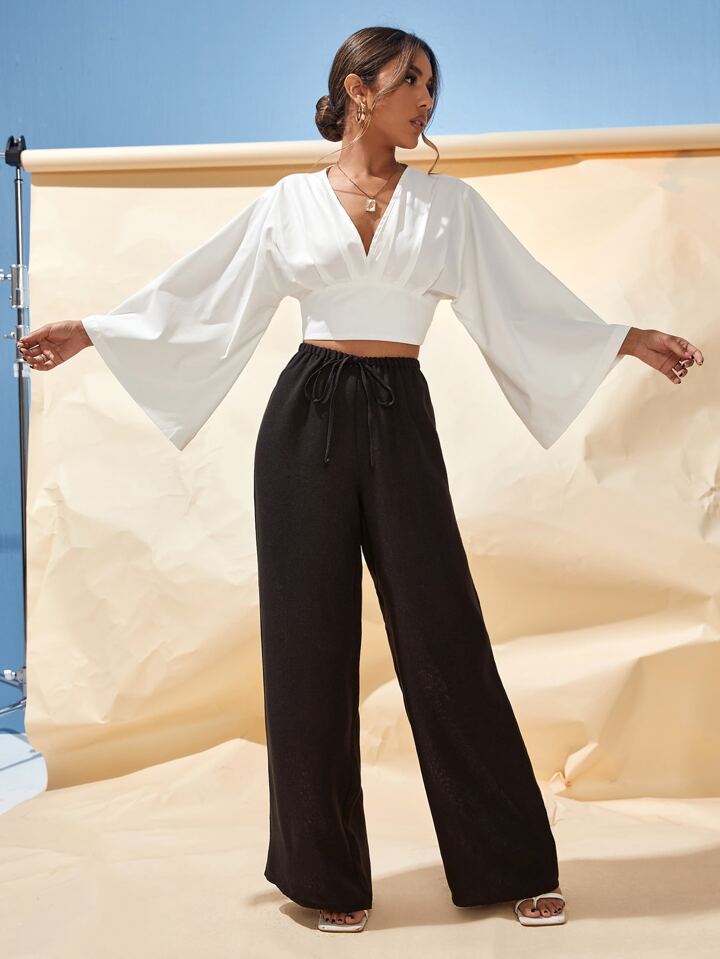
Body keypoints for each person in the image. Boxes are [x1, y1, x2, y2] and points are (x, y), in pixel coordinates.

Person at [18, 26, 703, 934]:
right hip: (304, 420)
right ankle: (325, 873)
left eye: (433, 84)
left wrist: (621, 339)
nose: (427, 99)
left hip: (399, 414)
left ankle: (510, 861)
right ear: (358, 89)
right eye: (410, 80)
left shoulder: (447, 208)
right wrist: (92, 330)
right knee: (308, 647)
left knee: (445, 634)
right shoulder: (290, 202)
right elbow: (206, 291)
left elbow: (521, 296)